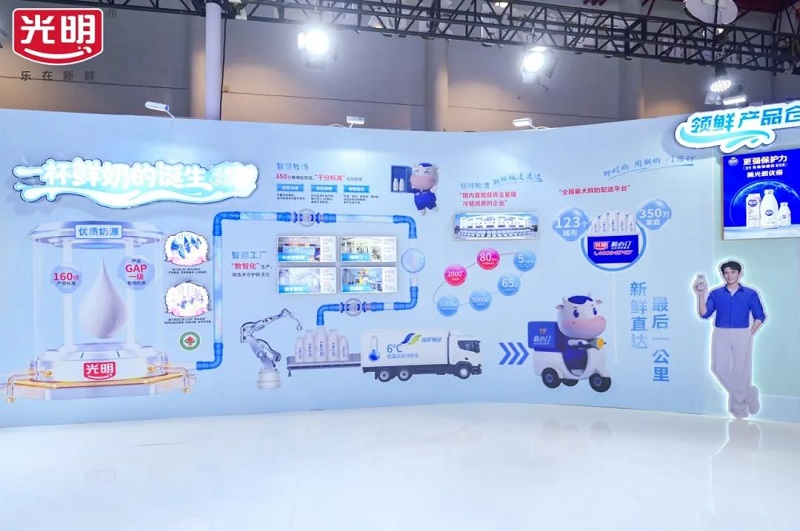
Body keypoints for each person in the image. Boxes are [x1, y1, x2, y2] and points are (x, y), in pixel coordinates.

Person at [693, 260, 766, 418]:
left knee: (741, 371)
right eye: (726, 272)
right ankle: (748, 393)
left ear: (740, 273)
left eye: (733, 272)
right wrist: (700, 295)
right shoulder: (716, 294)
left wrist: (750, 333)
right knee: (718, 368)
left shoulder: (750, 293)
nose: (729, 275)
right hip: (721, 332)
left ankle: (739, 411)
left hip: (742, 332)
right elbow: (704, 314)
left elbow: (760, 316)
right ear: (722, 274)